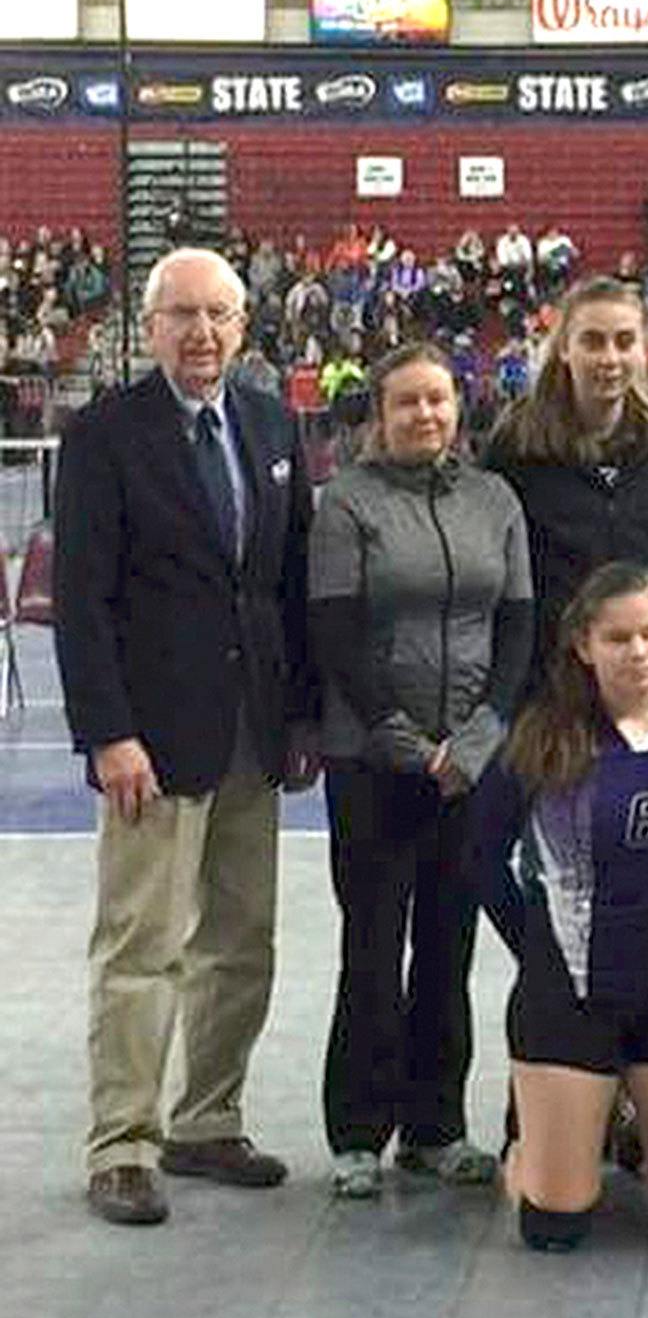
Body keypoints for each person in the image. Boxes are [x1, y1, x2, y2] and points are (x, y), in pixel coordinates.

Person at [54, 247, 319, 1225]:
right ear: (150, 325)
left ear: (244, 325)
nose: (201, 333)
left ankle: (207, 1119)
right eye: (182, 316)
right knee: (141, 945)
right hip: (152, 740)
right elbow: (81, 601)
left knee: (241, 942)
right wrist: (109, 732)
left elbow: (287, 582)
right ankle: (122, 1139)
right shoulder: (104, 434)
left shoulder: (269, 420)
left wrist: (299, 714)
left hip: (253, 730)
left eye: (218, 315)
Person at [309, 343, 534, 1198]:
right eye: (406, 402)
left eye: (437, 400)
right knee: (371, 948)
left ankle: (436, 1128)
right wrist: (403, 740)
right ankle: (358, 1135)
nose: (424, 416)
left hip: (469, 764)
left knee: (449, 943)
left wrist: (478, 739)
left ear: (459, 406)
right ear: (379, 412)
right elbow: (334, 634)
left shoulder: (494, 499)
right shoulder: (347, 503)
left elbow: (518, 627)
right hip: (372, 763)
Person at [469, 564, 648, 1250]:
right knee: (555, 1227)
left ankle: (640, 1122)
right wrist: (536, 943)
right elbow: (478, 857)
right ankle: (529, 1139)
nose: (639, 652)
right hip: (567, 998)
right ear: (583, 646)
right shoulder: (542, 736)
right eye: (617, 637)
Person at [484, 277, 648, 695]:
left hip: (637, 673)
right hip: (544, 677)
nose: (610, 358)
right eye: (593, 342)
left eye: (624, 341)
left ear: (642, 350)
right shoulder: (517, 445)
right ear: (564, 348)